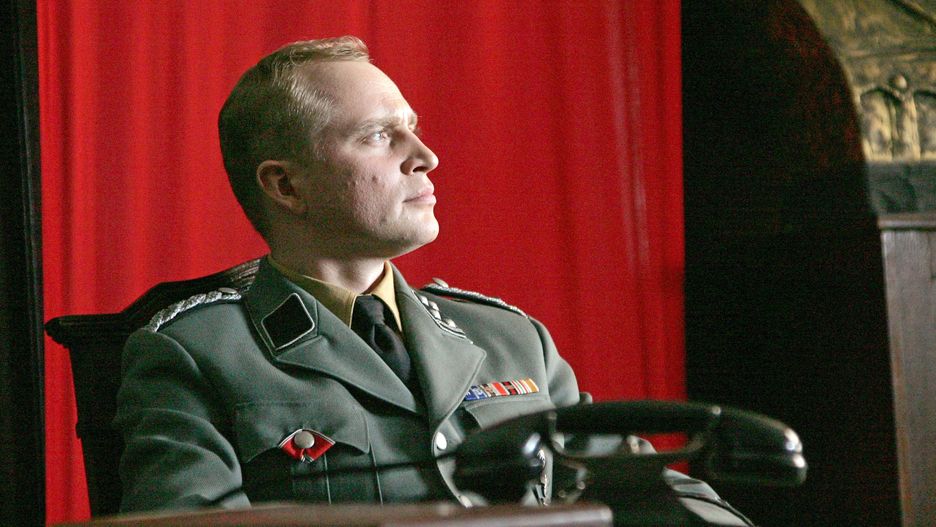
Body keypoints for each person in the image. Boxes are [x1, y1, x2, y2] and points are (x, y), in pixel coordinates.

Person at [114, 36, 750, 525]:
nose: (425, 156)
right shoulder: (198, 352)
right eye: (379, 136)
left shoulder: (510, 339)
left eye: (412, 130)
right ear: (286, 185)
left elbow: (650, 488)